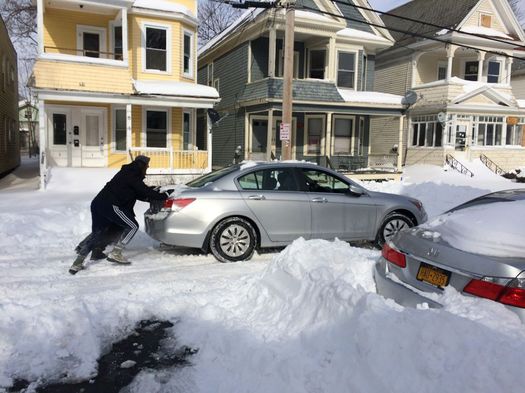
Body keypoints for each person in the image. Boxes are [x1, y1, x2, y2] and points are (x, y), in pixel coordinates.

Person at [69, 155, 168, 274]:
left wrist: (151, 196)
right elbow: (143, 190)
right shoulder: (133, 174)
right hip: (111, 205)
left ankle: (78, 262)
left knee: (100, 231)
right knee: (132, 226)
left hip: (98, 203)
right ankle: (116, 252)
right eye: (147, 166)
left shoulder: (127, 173)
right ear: (142, 165)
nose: (147, 168)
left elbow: (137, 193)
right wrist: (164, 196)